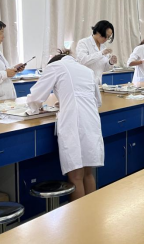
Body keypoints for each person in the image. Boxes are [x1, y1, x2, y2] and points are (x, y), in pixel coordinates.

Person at [26, 50, 104, 202]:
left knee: (75, 176)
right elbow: (97, 101)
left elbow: (36, 96)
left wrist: (33, 109)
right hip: (91, 120)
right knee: (88, 173)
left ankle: (79, 215)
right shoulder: (86, 70)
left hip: (73, 122)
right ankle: (91, 213)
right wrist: (66, 101)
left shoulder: (56, 66)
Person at [76, 20, 117, 85]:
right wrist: (101, 53)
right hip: (84, 82)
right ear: (98, 31)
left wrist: (110, 62)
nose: (106, 39)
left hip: (98, 83)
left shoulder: (103, 47)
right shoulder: (83, 43)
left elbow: (103, 68)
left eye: (108, 37)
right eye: (105, 36)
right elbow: (83, 61)